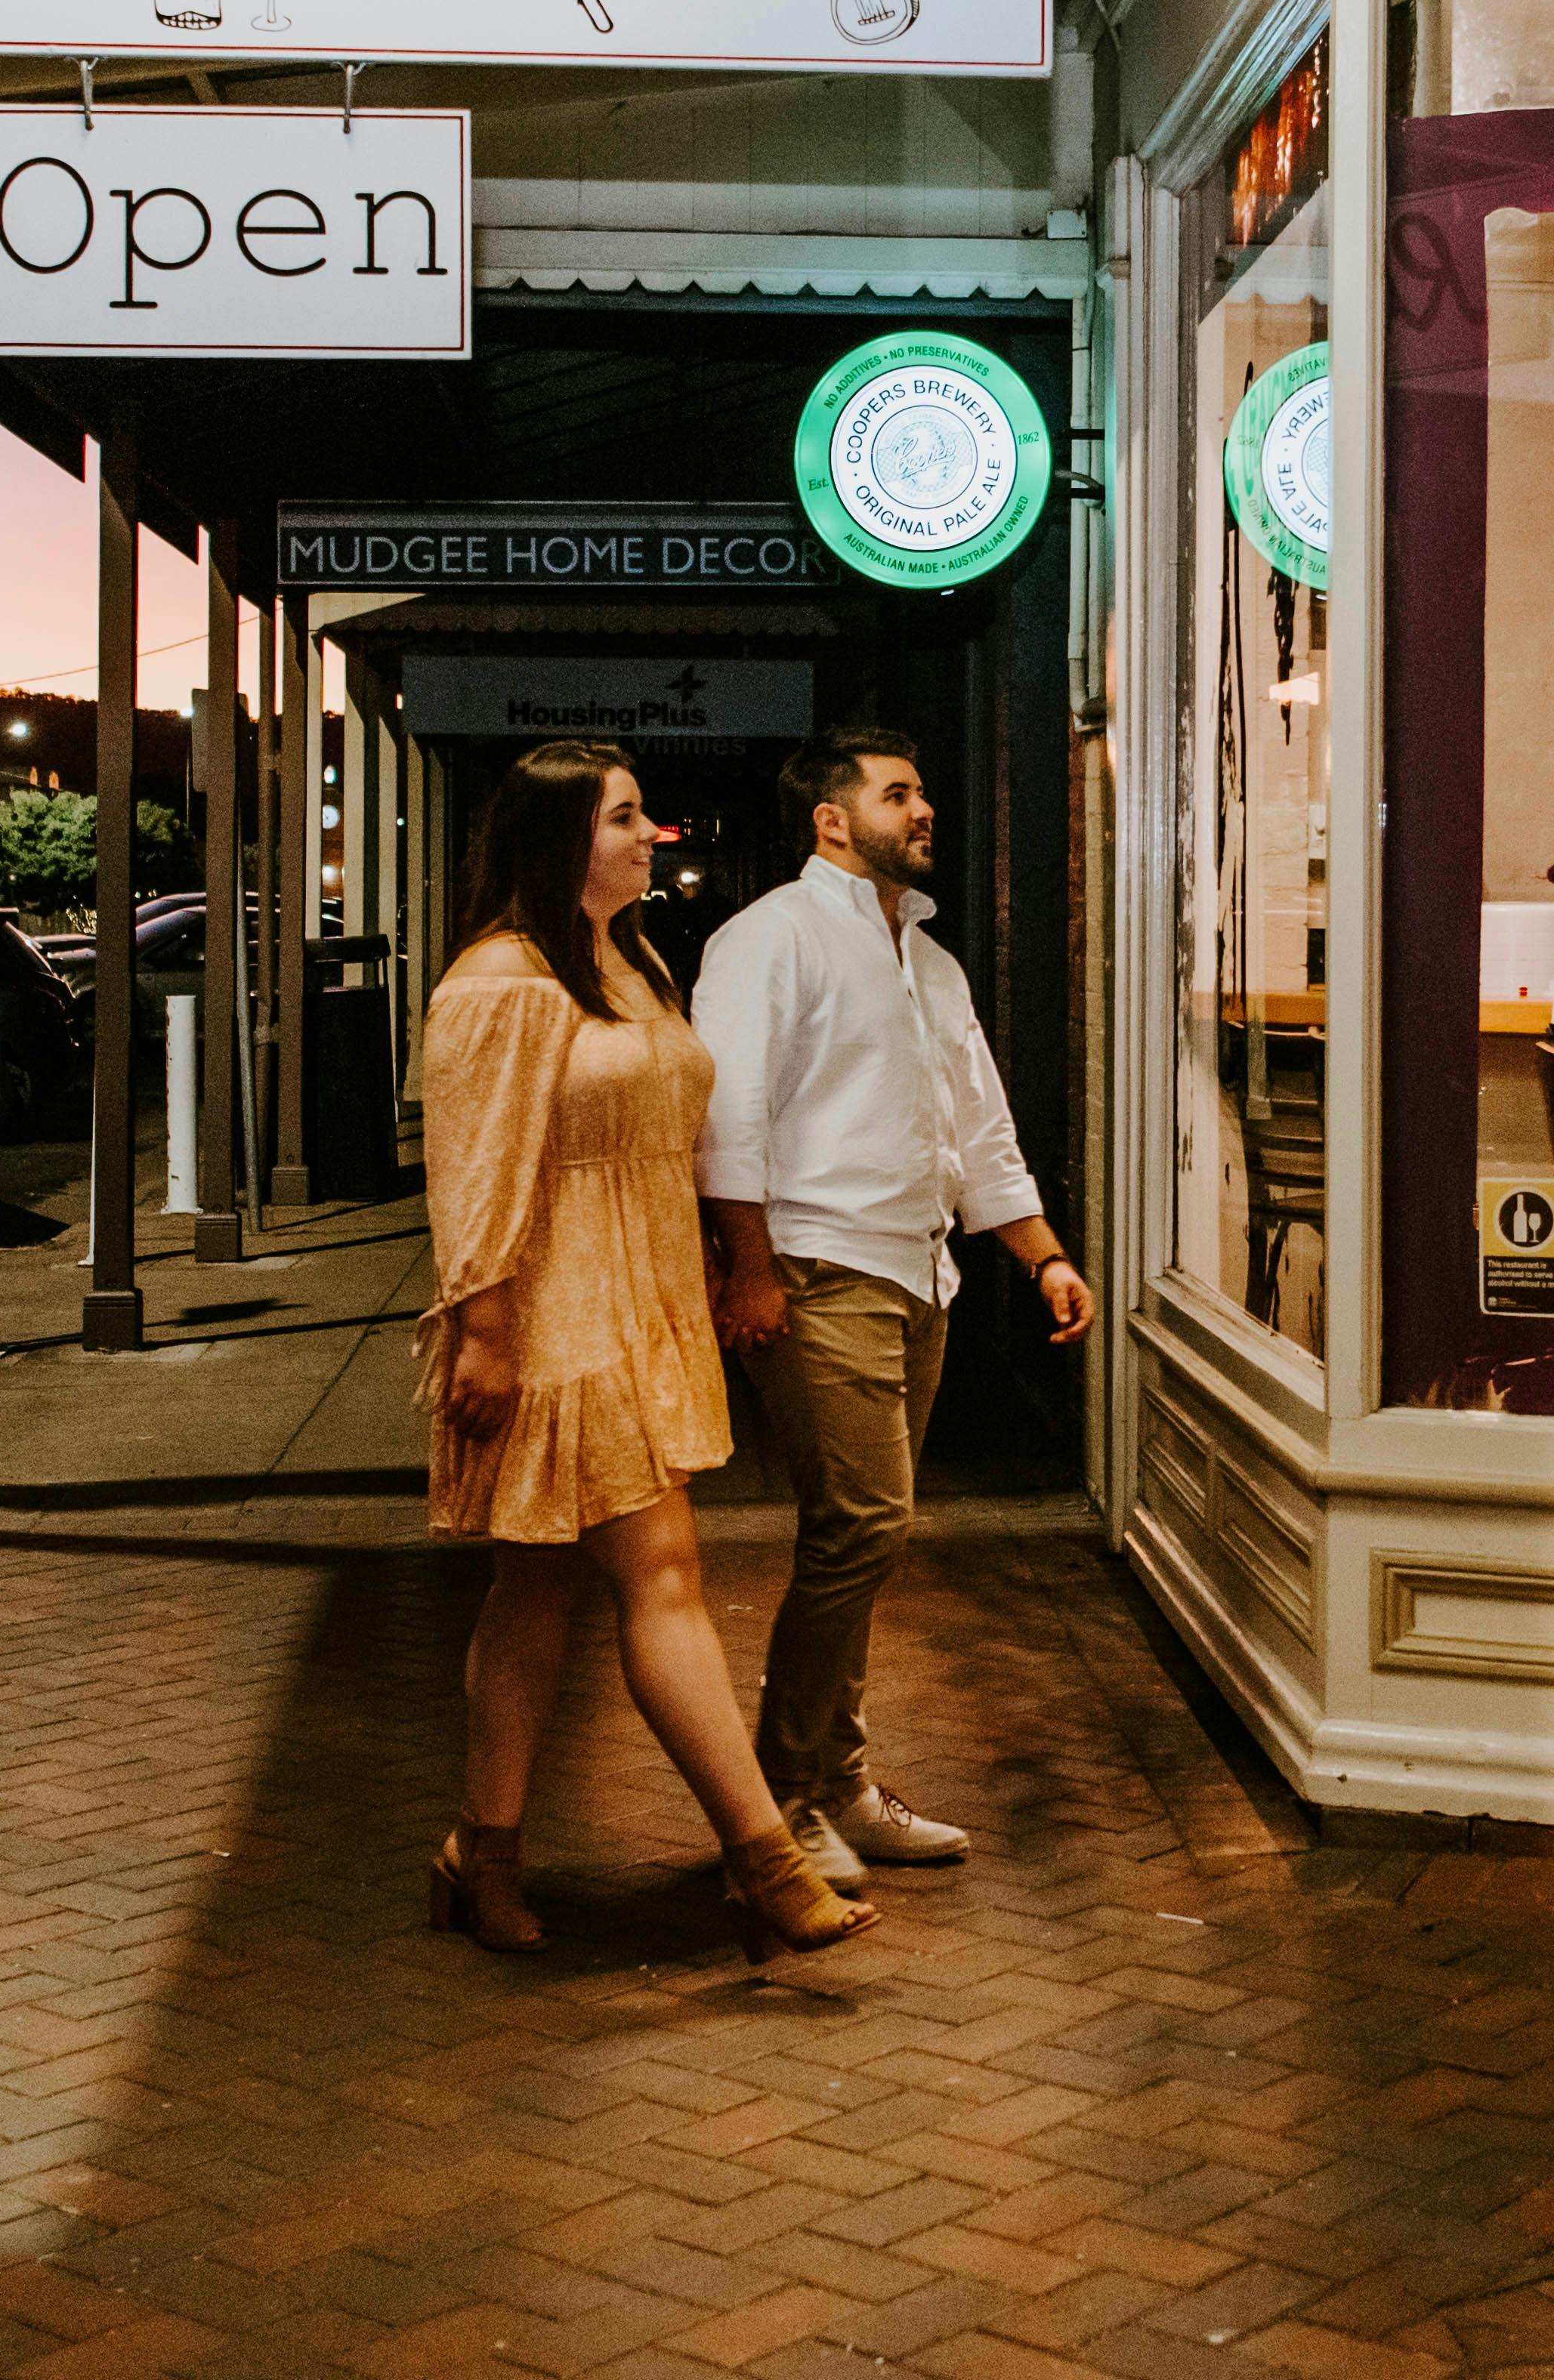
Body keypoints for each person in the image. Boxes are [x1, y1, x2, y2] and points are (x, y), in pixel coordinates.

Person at [417, 740, 873, 1964]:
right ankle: (766, 1860)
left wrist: (727, 1262)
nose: (646, 834)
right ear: (560, 837)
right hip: (554, 1314)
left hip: (641, 1298)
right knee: (661, 1571)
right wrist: (485, 1331)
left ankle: (482, 1852)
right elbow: (471, 1169)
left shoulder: (630, 962)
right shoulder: (502, 983)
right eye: (623, 818)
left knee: (536, 1588)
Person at [697, 725, 1095, 1885]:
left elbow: (975, 1124)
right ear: (831, 819)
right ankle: (785, 1800)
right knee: (863, 1528)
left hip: (921, 1273)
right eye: (898, 794)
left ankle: (839, 1783)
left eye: (923, 792)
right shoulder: (768, 938)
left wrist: (1040, 1254)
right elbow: (729, 1120)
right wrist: (750, 1267)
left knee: (860, 1540)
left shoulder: (930, 961)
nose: (924, 811)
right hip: (820, 1269)